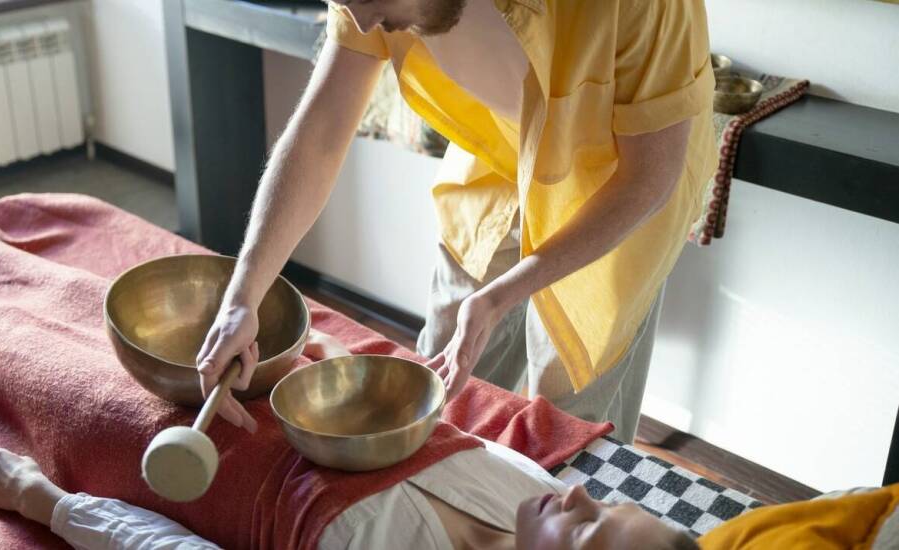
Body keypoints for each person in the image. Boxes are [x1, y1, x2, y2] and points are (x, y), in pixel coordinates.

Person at [195, 0, 718, 443]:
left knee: (565, 433)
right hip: (499, 156)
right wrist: (244, 296)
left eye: (373, 3)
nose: (362, 22)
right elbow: (319, 134)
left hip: (614, 186)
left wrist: (502, 295)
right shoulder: (363, 6)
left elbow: (648, 179)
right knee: (430, 395)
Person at [0, 442, 698, 549]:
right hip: (245, 385)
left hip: (167, 465)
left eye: (587, 532)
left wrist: (44, 502)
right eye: (608, 503)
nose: (577, 494)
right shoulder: (533, 493)